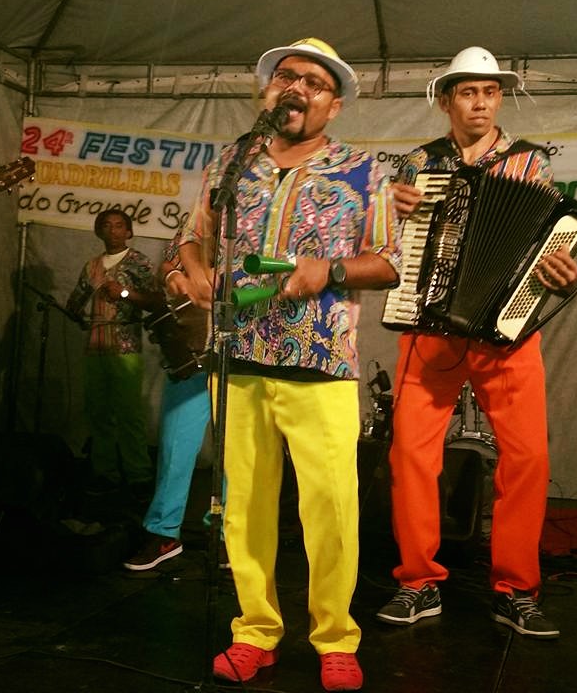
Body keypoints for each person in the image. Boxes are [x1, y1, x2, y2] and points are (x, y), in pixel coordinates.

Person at [178, 38, 401, 692]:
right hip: (238, 358)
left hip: (321, 362)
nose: (297, 86)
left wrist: (329, 270)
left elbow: (389, 261)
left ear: (334, 105)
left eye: (314, 81)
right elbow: (191, 238)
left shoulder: (364, 172)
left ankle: (335, 637)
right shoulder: (231, 162)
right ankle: (254, 630)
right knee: (243, 506)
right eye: (286, 76)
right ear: (267, 92)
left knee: (330, 509)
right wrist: (190, 274)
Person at [376, 46, 577, 639]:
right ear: (447, 101)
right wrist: (392, 213)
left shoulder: (530, 164)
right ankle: (418, 582)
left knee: (528, 459)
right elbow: (387, 249)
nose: (482, 103)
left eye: (490, 92)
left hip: (506, 333)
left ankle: (516, 590)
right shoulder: (417, 164)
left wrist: (565, 271)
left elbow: (550, 246)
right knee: (411, 455)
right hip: (430, 328)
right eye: (469, 92)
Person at [122, 242, 217, 571]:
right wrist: (177, 274)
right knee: (175, 448)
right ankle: (164, 532)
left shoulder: (255, 225)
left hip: (240, 357)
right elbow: (167, 268)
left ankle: (227, 535)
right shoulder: (194, 229)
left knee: (237, 456)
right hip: (191, 356)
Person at [65, 207, 161, 496]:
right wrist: (78, 313)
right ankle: (105, 472)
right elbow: (74, 302)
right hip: (95, 347)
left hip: (125, 347)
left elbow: (156, 301)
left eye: (119, 226)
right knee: (98, 413)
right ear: (99, 231)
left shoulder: (138, 262)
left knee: (129, 414)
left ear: (129, 231)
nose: (113, 230)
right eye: (107, 225)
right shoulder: (92, 266)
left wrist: (124, 293)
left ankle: (138, 475)